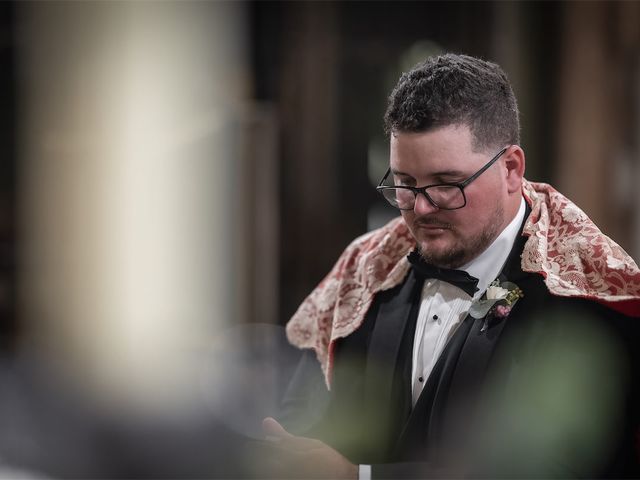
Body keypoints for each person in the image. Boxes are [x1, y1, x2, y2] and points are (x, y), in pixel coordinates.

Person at [259, 53, 640, 479]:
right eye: (404, 184)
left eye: (445, 184)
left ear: (511, 169)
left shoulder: (586, 299)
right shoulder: (364, 273)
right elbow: (306, 420)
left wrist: (359, 477)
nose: (420, 208)